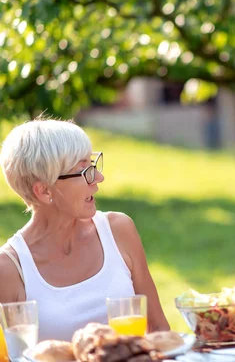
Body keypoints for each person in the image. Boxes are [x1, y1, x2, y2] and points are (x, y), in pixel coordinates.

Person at [0, 117, 169, 341]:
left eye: (93, 165)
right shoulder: (10, 269)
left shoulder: (118, 231)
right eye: (84, 171)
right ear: (44, 191)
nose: (98, 178)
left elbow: (159, 331)